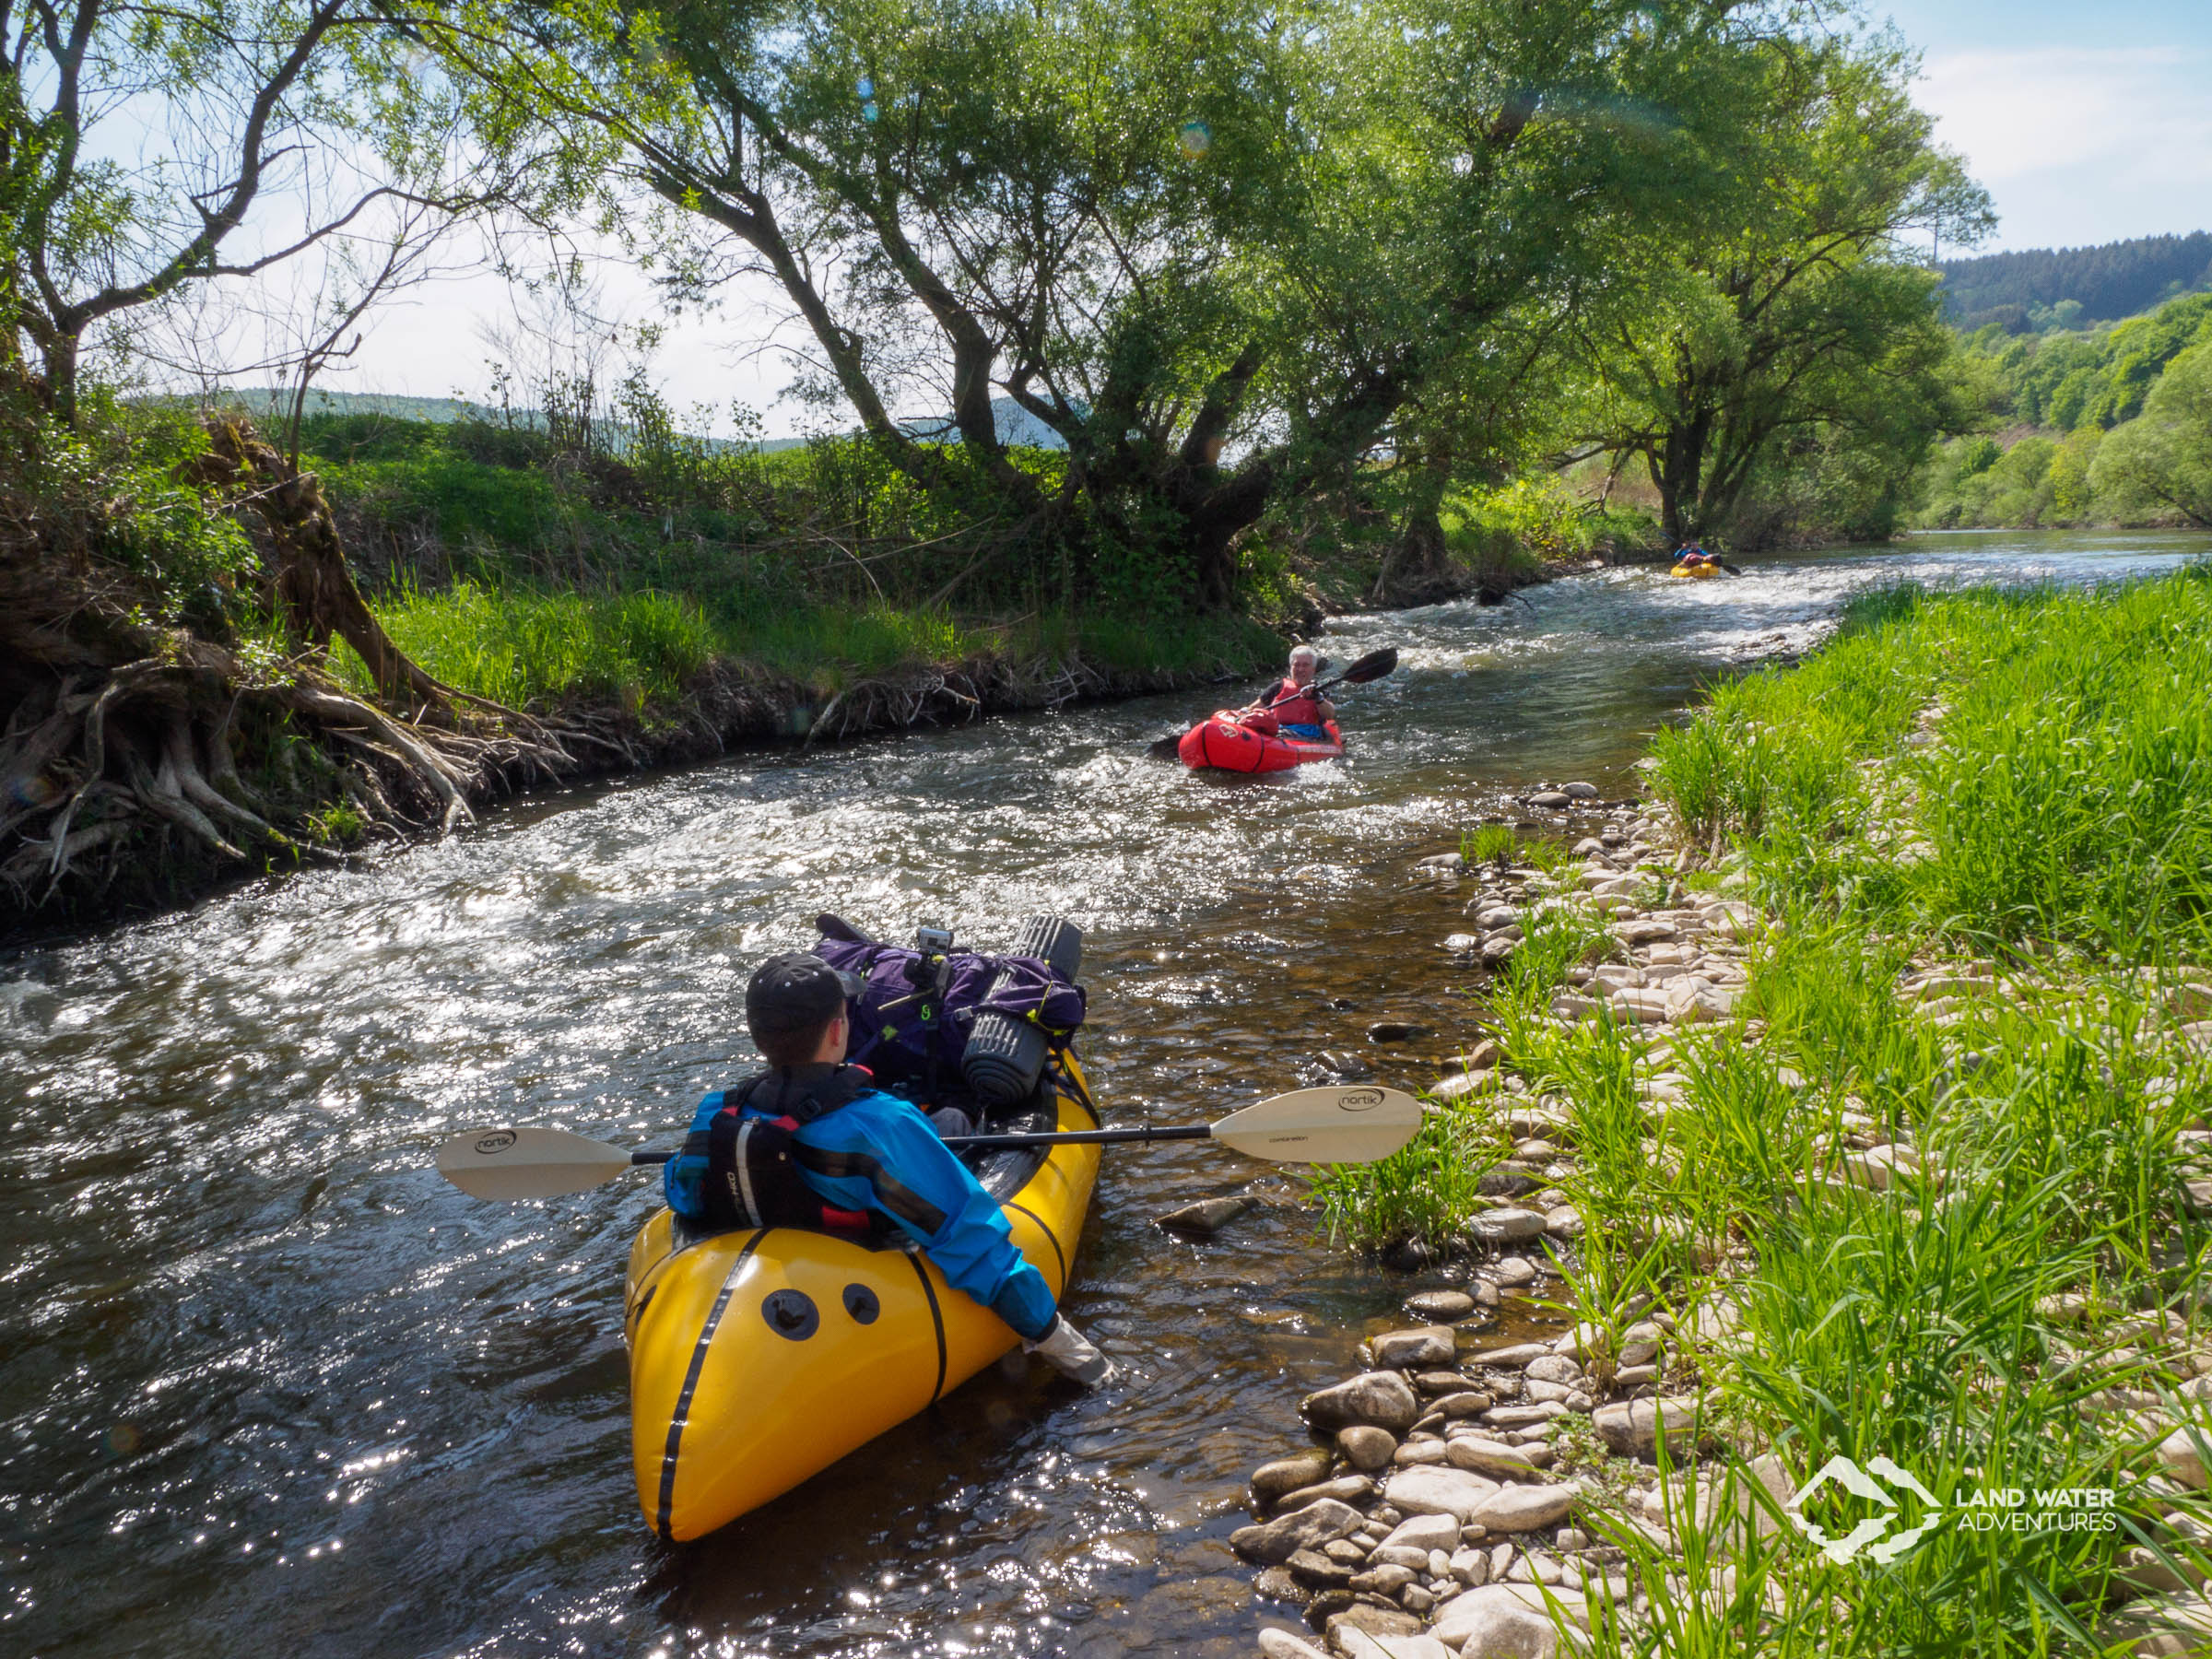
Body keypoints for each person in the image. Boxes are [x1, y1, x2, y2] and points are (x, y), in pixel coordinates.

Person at [669, 951, 1115, 1385]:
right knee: (955, 1121)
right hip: (866, 1271)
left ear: (757, 1034)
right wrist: (1061, 1342)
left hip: (779, 1274)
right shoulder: (882, 1125)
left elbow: (684, 1195)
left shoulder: (716, 1113)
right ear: (838, 1028)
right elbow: (968, 1237)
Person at [1246, 643, 1335, 740]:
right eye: (1296, 665)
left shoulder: (1318, 691)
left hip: (1307, 735)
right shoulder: (1277, 687)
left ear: (1313, 669)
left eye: (1305, 665)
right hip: (1277, 731)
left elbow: (1329, 715)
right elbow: (1253, 708)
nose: (1300, 669)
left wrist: (1318, 697)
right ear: (1291, 667)